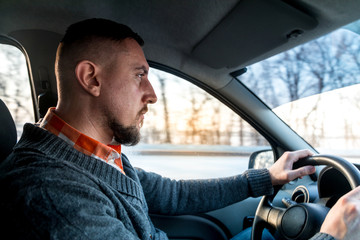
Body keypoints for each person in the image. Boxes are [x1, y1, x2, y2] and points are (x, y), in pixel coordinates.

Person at [0, 18, 352, 240]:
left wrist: (266, 178)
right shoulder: (48, 189)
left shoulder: (92, 155)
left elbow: (174, 195)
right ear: (91, 78)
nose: (152, 95)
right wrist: (332, 236)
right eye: (140, 75)